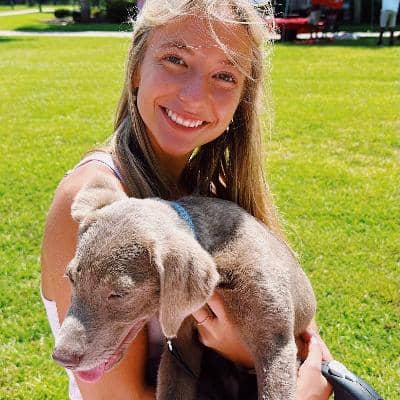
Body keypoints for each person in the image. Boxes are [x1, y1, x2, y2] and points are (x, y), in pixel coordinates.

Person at [41, 0, 333, 399]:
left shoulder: (213, 193)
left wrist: (251, 354)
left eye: (225, 75)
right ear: (136, 68)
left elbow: (300, 333)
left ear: (242, 100)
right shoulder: (95, 207)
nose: (195, 96)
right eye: (175, 59)